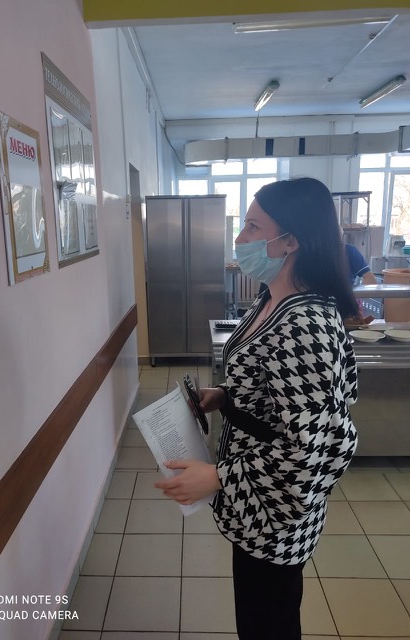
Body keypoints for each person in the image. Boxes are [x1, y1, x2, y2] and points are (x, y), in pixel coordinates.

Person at [155, 177, 359, 640]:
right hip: (253, 505)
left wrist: (218, 477)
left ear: (290, 241)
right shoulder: (270, 299)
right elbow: (272, 386)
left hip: (276, 514)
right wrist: (226, 395)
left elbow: (307, 448)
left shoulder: (305, 324)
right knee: (254, 616)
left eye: (252, 227)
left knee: (269, 623)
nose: (239, 238)